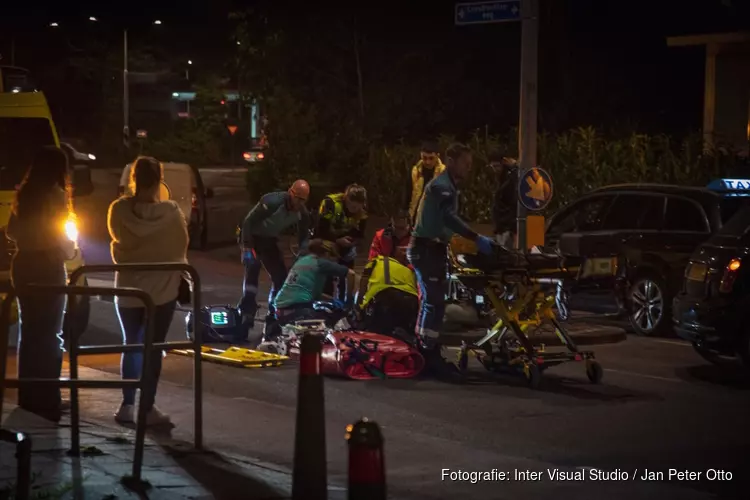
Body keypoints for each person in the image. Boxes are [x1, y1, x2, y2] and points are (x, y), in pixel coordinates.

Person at [108, 157, 189, 426]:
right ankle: (147, 407)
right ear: (159, 180)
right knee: (153, 348)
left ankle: (127, 405)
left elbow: (117, 242)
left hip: (130, 288)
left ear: (133, 179)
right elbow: (180, 247)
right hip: (163, 291)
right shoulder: (172, 213)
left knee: (131, 344)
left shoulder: (118, 210)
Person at [408, 143, 495, 376]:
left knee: (435, 302)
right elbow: (449, 217)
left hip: (433, 248)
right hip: (426, 249)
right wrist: (476, 238)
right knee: (433, 301)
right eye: (465, 164)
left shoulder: (449, 186)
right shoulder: (442, 187)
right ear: (452, 161)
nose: (469, 168)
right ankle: (426, 353)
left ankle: (427, 351)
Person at [7, 146, 75, 422]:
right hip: (48, 265)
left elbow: (11, 231)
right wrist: (70, 249)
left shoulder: (24, 195)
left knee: (30, 332)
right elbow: (60, 236)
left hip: (22, 264)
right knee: (50, 334)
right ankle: (48, 398)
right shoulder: (56, 196)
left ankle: (28, 396)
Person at [237, 180, 311, 337]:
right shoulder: (272, 202)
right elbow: (248, 222)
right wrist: (247, 247)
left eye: (303, 200)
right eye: (297, 198)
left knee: (281, 278)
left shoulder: (301, 212)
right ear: (290, 193)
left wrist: (302, 253)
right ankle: (246, 312)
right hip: (252, 237)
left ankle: (273, 315)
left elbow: (304, 235)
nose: (298, 203)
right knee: (253, 268)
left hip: (269, 240)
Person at [258, 239, 355, 350]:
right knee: (331, 322)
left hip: (280, 310)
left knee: (328, 310)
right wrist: (348, 301)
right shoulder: (320, 262)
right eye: (333, 258)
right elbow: (351, 274)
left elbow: (309, 293)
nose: (333, 262)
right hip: (297, 309)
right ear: (327, 254)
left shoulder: (303, 261)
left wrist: (334, 301)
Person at [314, 184, 367, 300]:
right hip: (326, 240)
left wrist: (354, 243)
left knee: (347, 270)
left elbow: (360, 235)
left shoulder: (362, 212)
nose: (354, 210)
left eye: (357, 208)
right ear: (346, 199)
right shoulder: (330, 203)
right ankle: (325, 299)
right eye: (351, 207)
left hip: (345, 243)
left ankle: (344, 301)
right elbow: (320, 229)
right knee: (327, 272)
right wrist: (337, 241)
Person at [354, 253, 419, 338]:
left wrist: (359, 311)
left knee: (377, 335)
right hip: (411, 302)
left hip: (385, 299)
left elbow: (362, 289)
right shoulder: (407, 270)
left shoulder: (374, 262)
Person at [406, 142, 446, 224]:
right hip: (415, 217)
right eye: (424, 158)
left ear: (437, 156)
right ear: (421, 156)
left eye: (431, 158)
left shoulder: (444, 173)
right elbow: (408, 194)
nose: (427, 162)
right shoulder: (415, 171)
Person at [490, 153, 519, 248]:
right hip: (501, 228)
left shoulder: (511, 179)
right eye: (493, 167)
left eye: (497, 166)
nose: (495, 170)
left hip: (507, 228)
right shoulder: (501, 179)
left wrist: (515, 167)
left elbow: (514, 204)